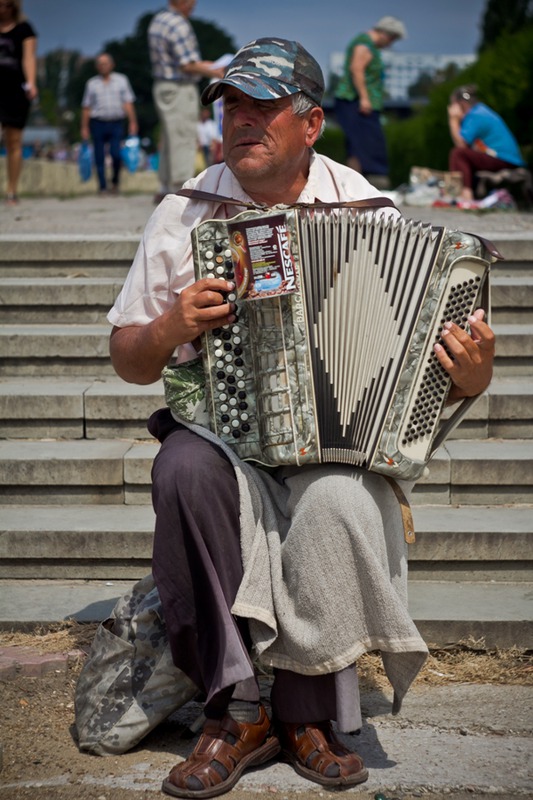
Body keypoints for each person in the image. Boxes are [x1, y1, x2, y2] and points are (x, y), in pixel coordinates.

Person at [107, 37, 495, 798]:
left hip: (335, 445)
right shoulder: (184, 212)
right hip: (220, 431)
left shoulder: (368, 210)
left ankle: (304, 715)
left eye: (263, 105)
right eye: (231, 106)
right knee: (182, 468)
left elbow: (430, 370)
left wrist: (471, 378)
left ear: (310, 123)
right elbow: (129, 358)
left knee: (339, 498)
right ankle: (235, 708)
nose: (242, 121)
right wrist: (169, 327)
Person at [147, 0, 225, 203]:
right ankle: (180, 187)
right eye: (191, 1)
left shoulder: (159, 20)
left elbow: (184, 62)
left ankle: (164, 185)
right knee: (183, 136)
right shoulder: (179, 24)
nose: (194, 5)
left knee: (170, 137)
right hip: (179, 88)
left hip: (162, 86)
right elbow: (187, 65)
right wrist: (216, 71)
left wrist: (208, 66)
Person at [335, 15, 406, 189]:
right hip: (356, 101)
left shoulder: (367, 44)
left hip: (356, 101)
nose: (391, 44)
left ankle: (356, 185)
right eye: (392, 39)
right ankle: (374, 181)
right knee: (369, 142)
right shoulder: (364, 44)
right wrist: (365, 98)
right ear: (385, 34)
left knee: (357, 144)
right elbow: (356, 69)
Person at [447, 84, 526, 204]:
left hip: (504, 158)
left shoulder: (474, 115)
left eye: (453, 104)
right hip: (505, 158)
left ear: (461, 104)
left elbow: (461, 144)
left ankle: (465, 196)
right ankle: (460, 193)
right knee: (464, 154)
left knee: (458, 154)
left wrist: (453, 119)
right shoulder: (481, 110)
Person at [80, 52, 138, 195]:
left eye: (105, 63)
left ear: (112, 65)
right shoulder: (92, 83)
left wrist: (133, 122)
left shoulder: (122, 80)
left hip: (116, 122)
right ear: (96, 66)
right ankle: (102, 187)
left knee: (116, 154)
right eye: (100, 63)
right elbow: (86, 107)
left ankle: (115, 182)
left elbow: (128, 102)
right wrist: (84, 127)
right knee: (98, 156)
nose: (103, 66)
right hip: (98, 123)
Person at [0, 0, 37, 205]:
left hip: (15, 90)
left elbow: (28, 58)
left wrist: (31, 82)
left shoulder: (24, 28)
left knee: (14, 141)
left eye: (7, 5)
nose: (3, 9)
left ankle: (11, 190)